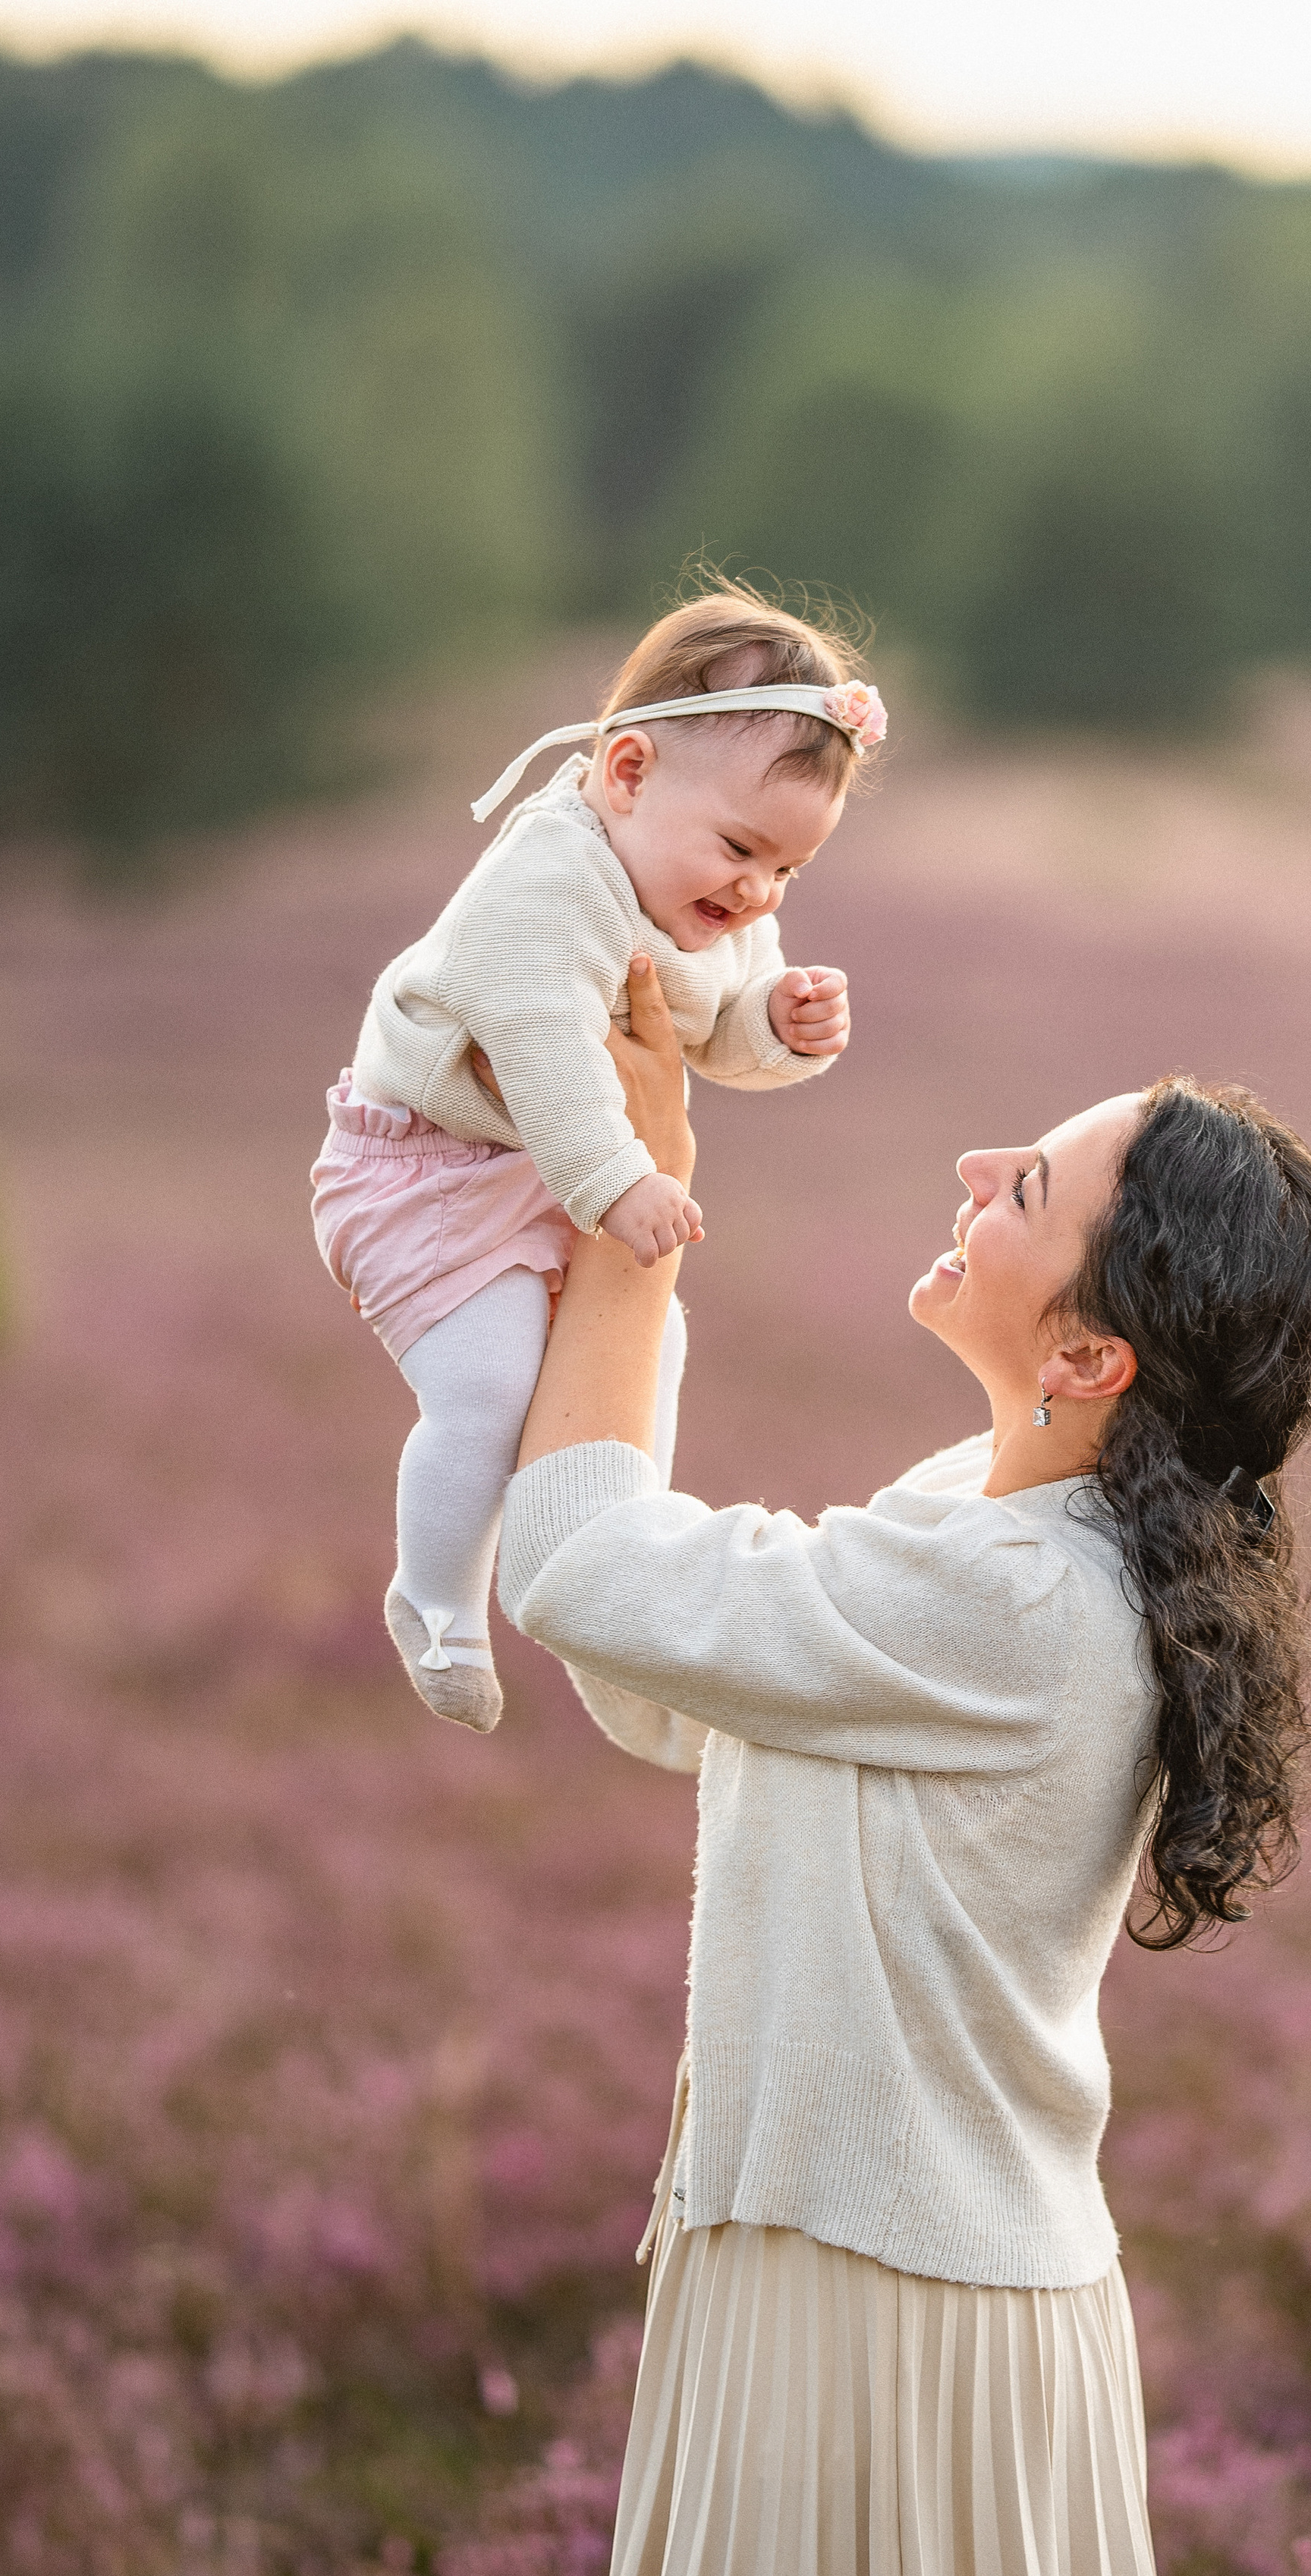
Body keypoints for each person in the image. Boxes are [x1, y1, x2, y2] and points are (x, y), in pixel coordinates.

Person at [499, 964, 1311, 2576]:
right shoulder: (971, 1530)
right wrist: (622, 1197)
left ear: (1090, 1362)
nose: (975, 1167)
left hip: (876, 2298)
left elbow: (574, 1572)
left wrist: (623, 1207)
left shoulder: (1013, 1596)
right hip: (854, 2268)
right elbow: (658, 1678)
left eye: (1029, 1192)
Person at [308, 580, 886, 1732]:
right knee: (487, 1388)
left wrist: (778, 1021)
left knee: (651, 1337)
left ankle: (619, 1553)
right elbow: (546, 1053)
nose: (758, 892)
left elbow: (704, 1030)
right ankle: (434, 1600)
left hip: (544, 1165)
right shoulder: (547, 880)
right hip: (418, 1167)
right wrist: (619, 1183)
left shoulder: (707, 894)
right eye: (740, 849)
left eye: (788, 871)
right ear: (625, 774)